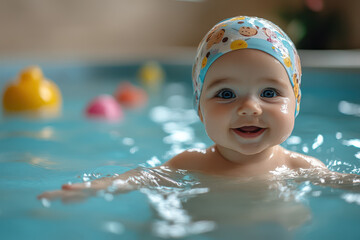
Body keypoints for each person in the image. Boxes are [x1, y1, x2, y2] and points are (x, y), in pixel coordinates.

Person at [38, 16, 327, 202]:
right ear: (199, 108)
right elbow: (141, 177)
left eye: (269, 93)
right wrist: (96, 188)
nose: (249, 108)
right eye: (226, 94)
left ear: (296, 102)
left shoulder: (303, 168)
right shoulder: (190, 164)